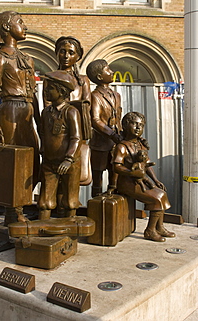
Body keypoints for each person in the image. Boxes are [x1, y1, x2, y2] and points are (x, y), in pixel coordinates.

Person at [0, 11, 40, 224]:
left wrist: (40, 121)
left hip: (27, 111)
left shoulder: (27, 58)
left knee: (34, 160)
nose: (25, 26)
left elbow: (34, 93)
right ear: (7, 28)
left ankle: (23, 202)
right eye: (20, 22)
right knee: (13, 161)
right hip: (9, 110)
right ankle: (12, 211)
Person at [111, 111, 175, 242]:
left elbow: (147, 165)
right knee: (156, 198)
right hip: (127, 183)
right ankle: (150, 231)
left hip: (139, 180)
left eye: (141, 125)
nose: (138, 128)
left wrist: (156, 180)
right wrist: (131, 173)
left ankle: (159, 227)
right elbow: (116, 167)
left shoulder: (140, 145)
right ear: (125, 125)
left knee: (162, 193)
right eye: (134, 124)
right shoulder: (122, 147)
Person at [38, 70, 82, 220]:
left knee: (70, 200)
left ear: (61, 91)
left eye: (50, 88)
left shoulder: (71, 112)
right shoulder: (46, 112)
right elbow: (43, 133)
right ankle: (42, 228)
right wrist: (44, 150)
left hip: (69, 164)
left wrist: (69, 159)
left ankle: (70, 229)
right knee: (45, 201)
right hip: (49, 163)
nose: (46, 91)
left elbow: (76, 138)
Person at [86, 59, 122, 197]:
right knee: (98, 177)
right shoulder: (95, 96)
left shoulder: (116, 95)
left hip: (115, 143)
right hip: (100, 144)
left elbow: (118, 117)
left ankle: (112, 202)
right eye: (108, 70)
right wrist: (111, 134)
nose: (112, 72)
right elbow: (95, 120)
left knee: (115, 174)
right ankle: (96, 203)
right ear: (100, 77)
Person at [44, 36, 91, 105]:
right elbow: (47, 105)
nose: (66, 56)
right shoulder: (50, 79)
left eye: (71, 53)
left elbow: (87, 104)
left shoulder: (83, 80)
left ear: (77, 57)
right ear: (57, 54)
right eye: (62, 52)